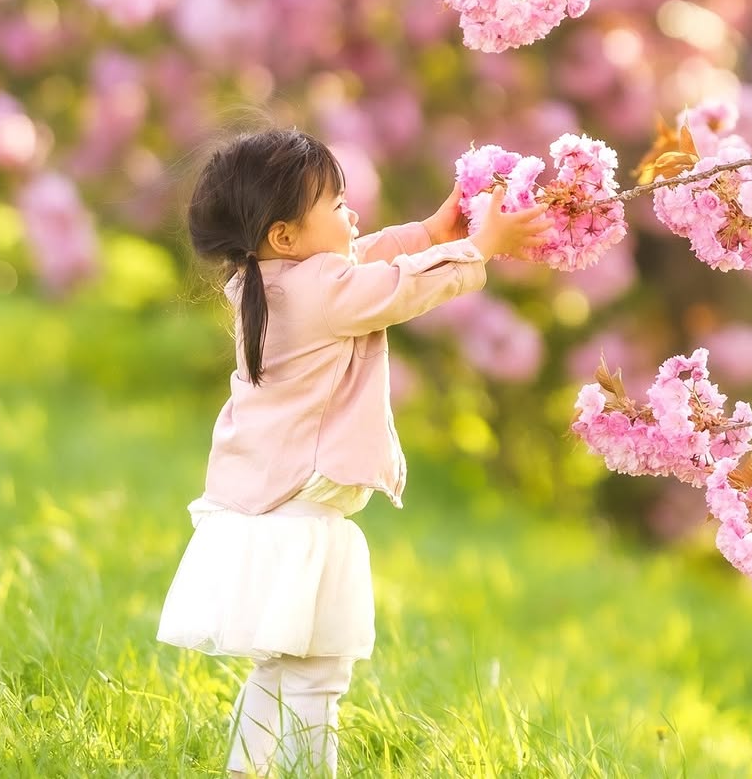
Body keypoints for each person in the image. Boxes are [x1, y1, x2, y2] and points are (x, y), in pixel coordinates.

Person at [156, 126, 552, 777]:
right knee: (317, 674)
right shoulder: (320, 294)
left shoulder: (275, 281)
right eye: (336, 204)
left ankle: (246, 768)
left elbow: (363, 258)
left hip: (275, 512)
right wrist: (480, 246)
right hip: (296, 519)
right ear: (285, 235)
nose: (352, 212)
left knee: (285, 666)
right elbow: (392, 286)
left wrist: (428, 232)